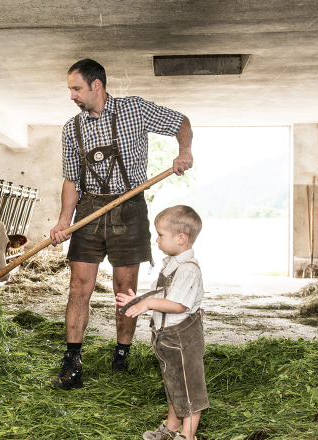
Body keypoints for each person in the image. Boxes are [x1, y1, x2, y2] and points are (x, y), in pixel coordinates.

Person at [50, 58, 193, 390]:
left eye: (76, 88)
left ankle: (121, 354)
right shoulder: (71, 129)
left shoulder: (135, 110)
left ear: (96, 85)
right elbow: (72, 180)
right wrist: (63, 222)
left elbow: (180, 122)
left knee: (123, 291)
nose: (72, 95)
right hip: (88, 209)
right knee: (78, 287)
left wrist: (184, 150)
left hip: (128, 208)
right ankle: (72, 360)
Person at [116, 205, 207, 440]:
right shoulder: (172, 263)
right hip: (167, 337)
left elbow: (178, 305)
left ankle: (187, 435)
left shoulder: (188, 269)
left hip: (183, 337)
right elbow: (163, 295)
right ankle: (171, 427)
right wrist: (139, 299)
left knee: (189, 388)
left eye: (160, 235)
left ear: (181, 238)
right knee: (173, 384)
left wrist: (147, 305)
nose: (156, 240)